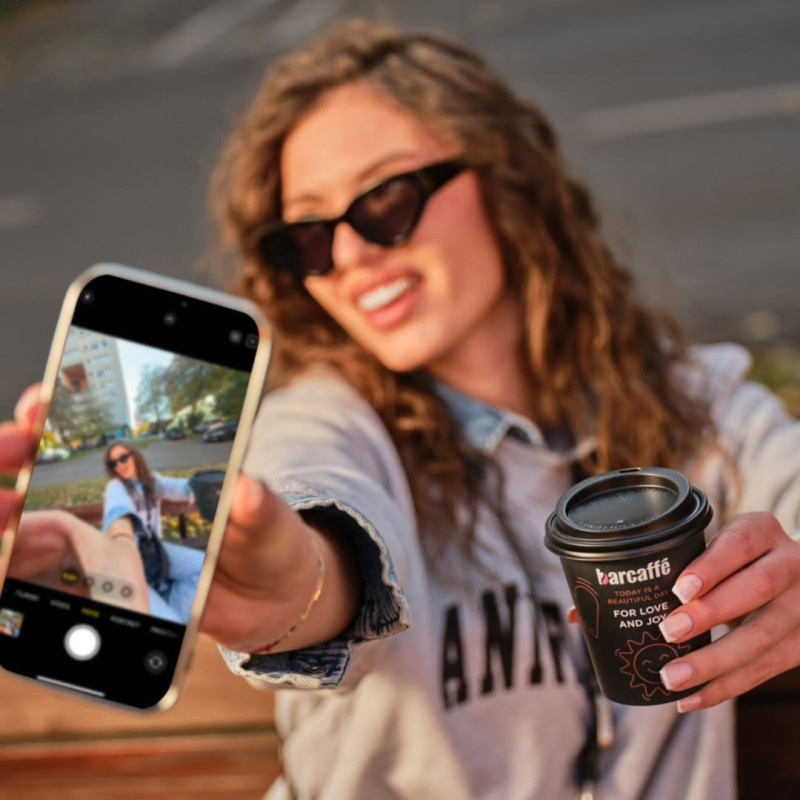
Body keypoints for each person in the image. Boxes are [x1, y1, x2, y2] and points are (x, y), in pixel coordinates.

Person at [2, 18, 800, 799]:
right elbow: (320, 512)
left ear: (504, 176)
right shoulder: (329, 423)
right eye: (308, 238)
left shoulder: (700, 404)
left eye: (384, 201)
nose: (349, 256)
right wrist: (290, 583)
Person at [102, 441, 204, 624]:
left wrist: (200, 489)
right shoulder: (116, 487)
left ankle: (171, 605)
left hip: (154, 551)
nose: (119, 465)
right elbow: (117, 508)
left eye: (123, 458)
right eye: (113, 463)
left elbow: (178, 487)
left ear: (135, 456)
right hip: (128, 558)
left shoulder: (151, 482)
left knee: (204, 567)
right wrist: (122, 537)